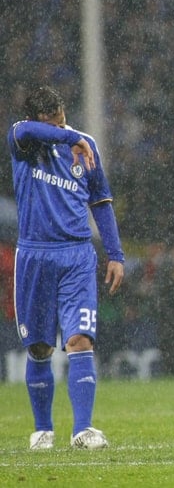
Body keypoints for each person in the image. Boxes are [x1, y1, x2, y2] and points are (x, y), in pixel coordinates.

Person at [7, 85, 125, 450]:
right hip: (35, 255)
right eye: (54, 124)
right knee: (40, 347)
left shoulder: (85, 145)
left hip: (76, 254)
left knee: (80, 339)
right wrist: (67, 136)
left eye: (64, 121)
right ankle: (43, 430)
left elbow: (101, 201)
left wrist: (116, 254)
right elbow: (28, 131)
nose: (62, 128)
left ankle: (83, 429)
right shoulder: (23, 139)